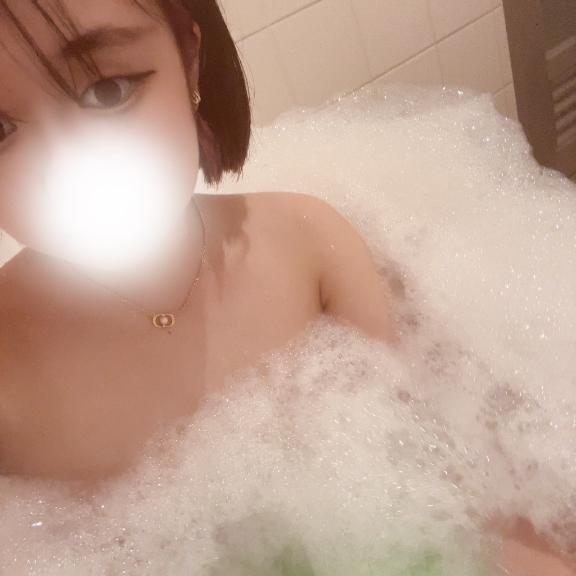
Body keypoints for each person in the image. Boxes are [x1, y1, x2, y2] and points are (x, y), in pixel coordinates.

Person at [0, 2, 572, 575]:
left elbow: (467, 493)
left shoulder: (309, 244)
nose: (62, 170)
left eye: (108, 91)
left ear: (190, 60)